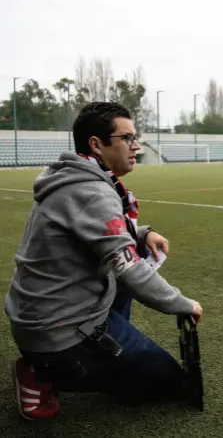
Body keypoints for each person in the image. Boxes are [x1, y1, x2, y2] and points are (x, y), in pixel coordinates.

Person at [4, 102, 203, 420]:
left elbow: (89, 230)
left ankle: (69, 356)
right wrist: (183, 304)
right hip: (60, 332)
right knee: (166, 380)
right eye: (127, 138)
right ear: (96, 144)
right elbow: (131, 270)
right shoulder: (92, 192)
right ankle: (42, 373)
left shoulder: (73, 179)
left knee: (125, 265)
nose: (136, 145)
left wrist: (142, 233)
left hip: (44, 316)